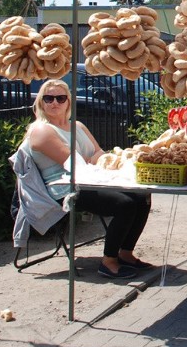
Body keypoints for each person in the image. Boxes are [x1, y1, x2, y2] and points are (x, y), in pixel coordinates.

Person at [24, 79, 152, 279]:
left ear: (68, 102)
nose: (54, 102)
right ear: (41, 102)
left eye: (60, 98)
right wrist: (94, 160)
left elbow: (99, 153)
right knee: (124, 204)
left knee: (141, 195)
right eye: (48, 98)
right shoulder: (41, 130)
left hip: (90, 179)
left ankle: (125, 253)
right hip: (65, 188)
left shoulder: (78, 126)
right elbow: (72, 161)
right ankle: (108, 261)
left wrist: (98, 160)